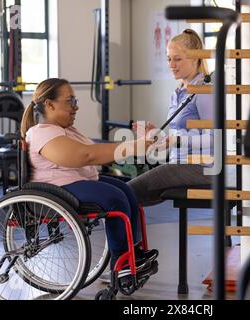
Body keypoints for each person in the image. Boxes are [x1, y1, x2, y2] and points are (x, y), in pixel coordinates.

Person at [20, 78, 158, 279]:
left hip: (73, 182)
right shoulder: (43, 134)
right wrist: (135, 146)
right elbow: (85, 156)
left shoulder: (62, 129)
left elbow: (94, 150)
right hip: (56, 188)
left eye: (75, 101)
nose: (76, 107)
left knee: (127, 190)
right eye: (71, 102)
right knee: (115, 199)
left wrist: (138, 143)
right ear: (49, 104)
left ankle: (133, 254)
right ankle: (122, 263)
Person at [128, 29, 213, 206]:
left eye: (177, 59)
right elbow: (178, 138)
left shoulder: (204, 91)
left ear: (195, 58)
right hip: (179, 163)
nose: (171, 64)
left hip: (201, 168)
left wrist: (175, 139)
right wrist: (159, 136)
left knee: (125, 194)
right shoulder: (178, 92)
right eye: (169, 58)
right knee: (126, 198)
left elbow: (214, 139)